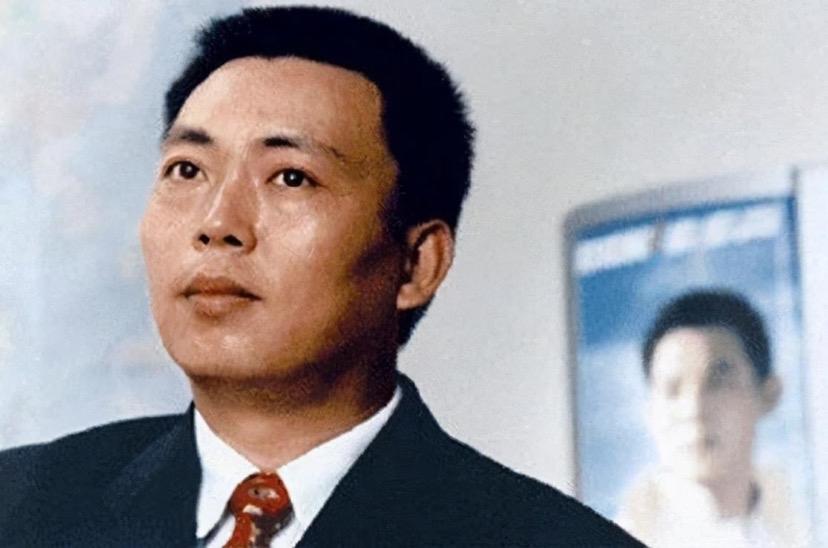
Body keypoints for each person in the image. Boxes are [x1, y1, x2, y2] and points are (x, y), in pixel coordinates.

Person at [0, 6, 640, 547]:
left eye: (290, 177)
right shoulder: (21, 507)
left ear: (417, 263)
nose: (217, 223)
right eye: (187, 170)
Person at [616, 289, 808, 547]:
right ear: (650, 412)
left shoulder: (798, 519)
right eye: (672, 390)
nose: (693, 409)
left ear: (769, 394)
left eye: (717, 382)